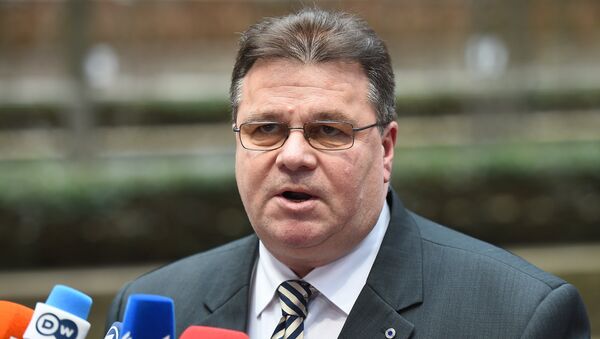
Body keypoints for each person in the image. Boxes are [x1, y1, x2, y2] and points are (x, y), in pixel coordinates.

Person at [106, 8, 590, 338]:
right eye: (266, 128)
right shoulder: (152, 305)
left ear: (385, 149)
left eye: (329, 131)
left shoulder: (517, 317)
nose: (293, 155)